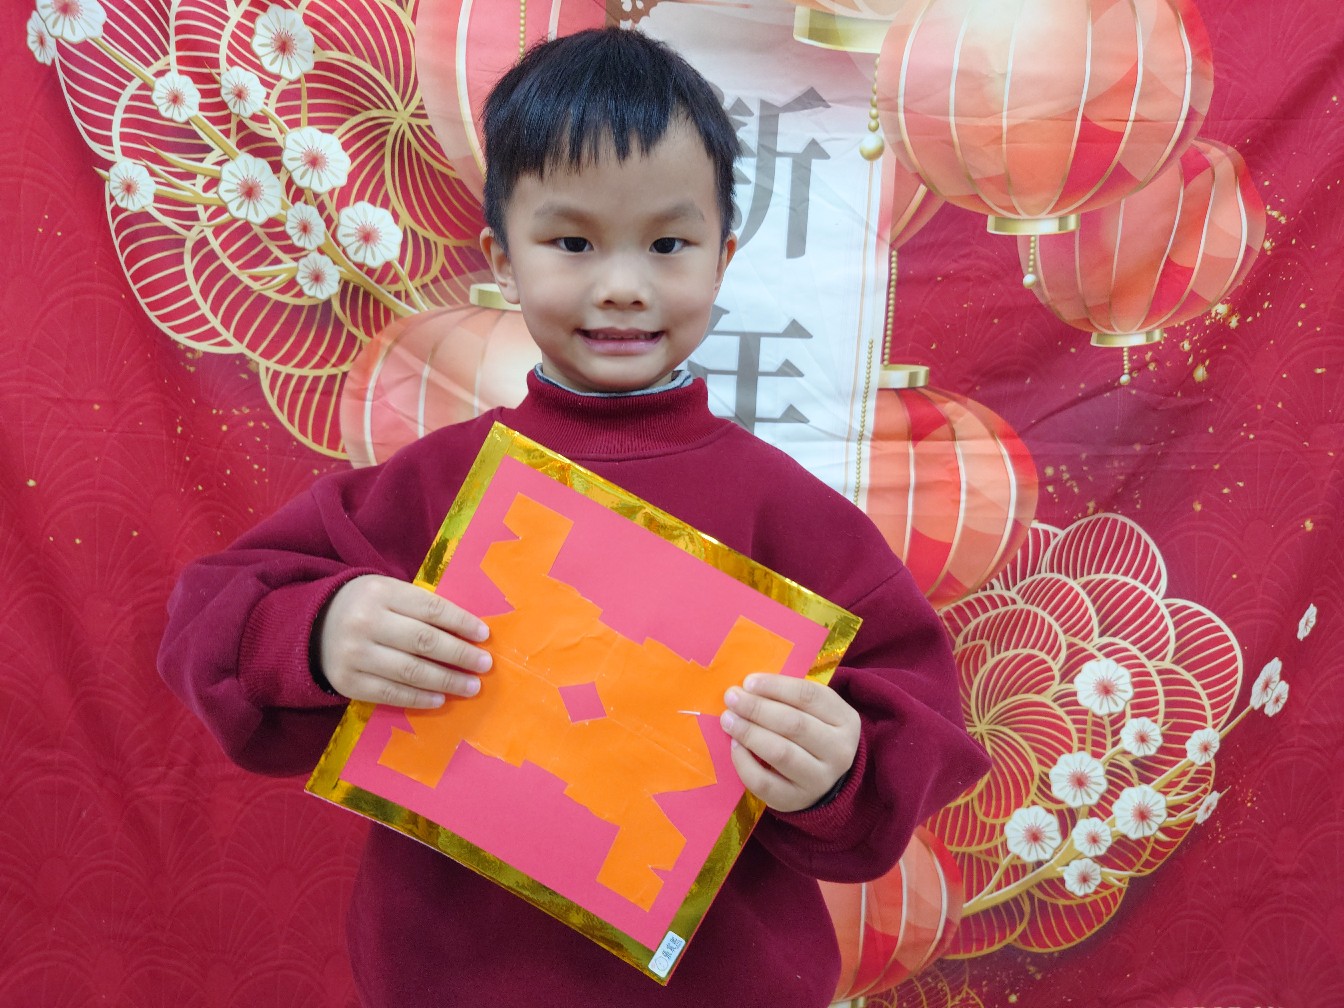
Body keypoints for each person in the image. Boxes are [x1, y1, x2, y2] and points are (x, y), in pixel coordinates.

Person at [159, 26, 990, 1008]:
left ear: (723, 260)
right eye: (572, 243)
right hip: (449, 980)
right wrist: (321, 634)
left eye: (668, 245)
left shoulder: (791, 514)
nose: (623, 285)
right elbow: (210, 619)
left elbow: (917, 718)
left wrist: (838, 765)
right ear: (503, 262)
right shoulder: (434, 485)